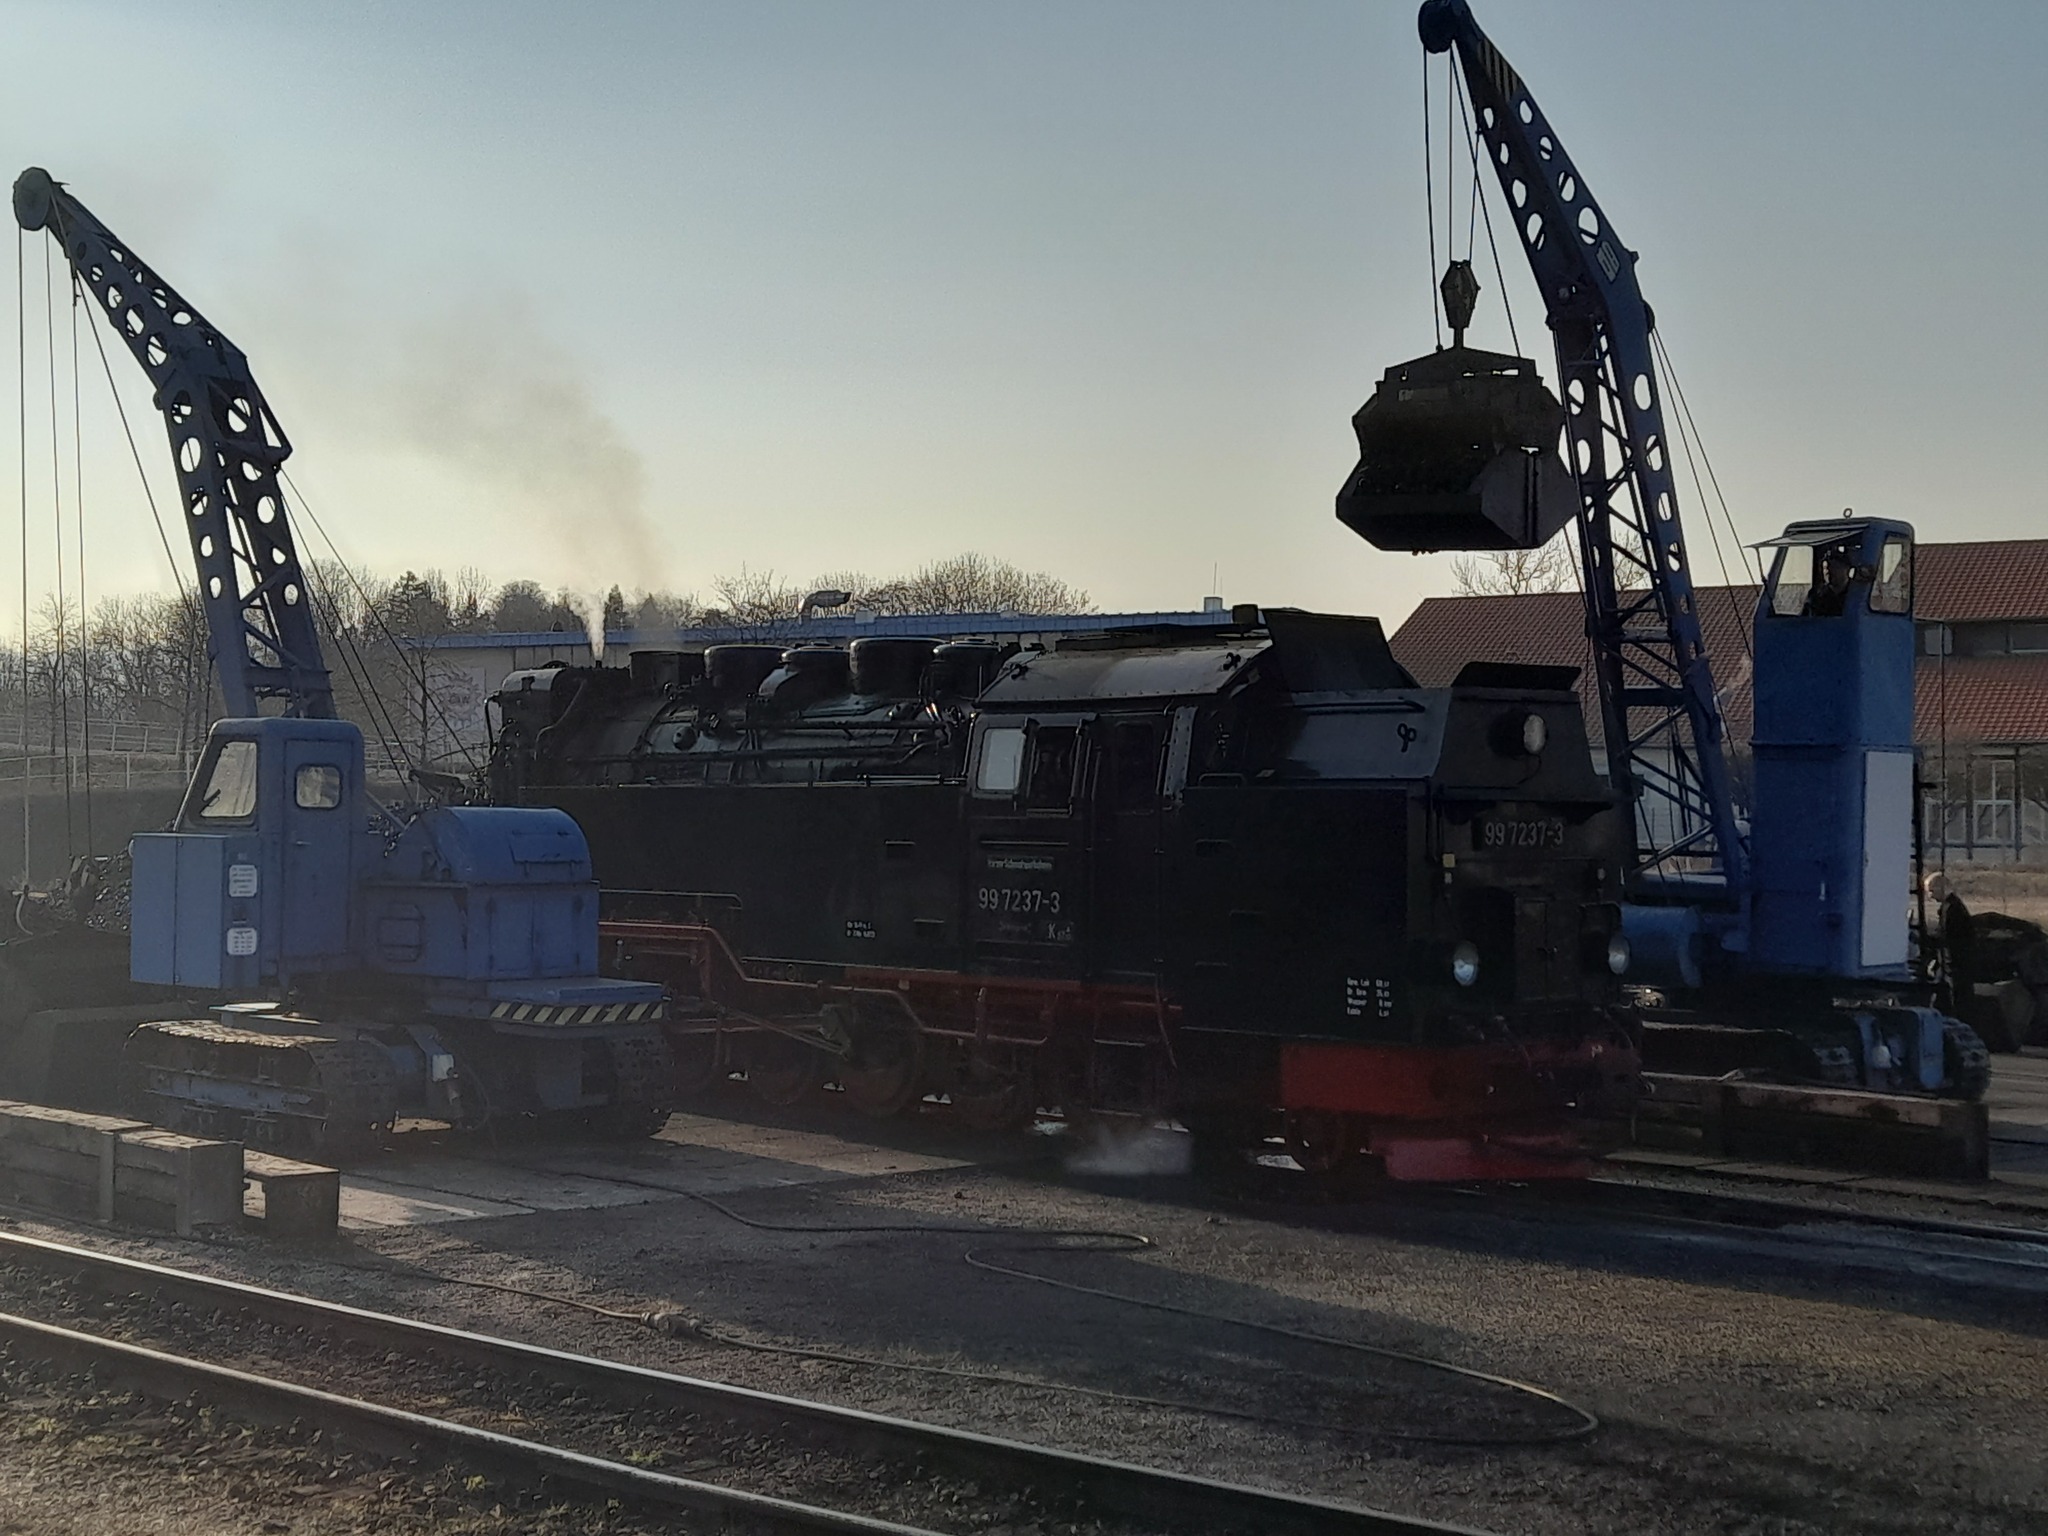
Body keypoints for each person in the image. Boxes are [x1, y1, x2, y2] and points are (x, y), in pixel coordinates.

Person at [1804, 548, 1857, 616]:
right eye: (1824, 568)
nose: (1827, 571)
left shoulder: (1855, 593)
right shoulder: (1817, 597)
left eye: (1830, 566)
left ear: (1845, 567)